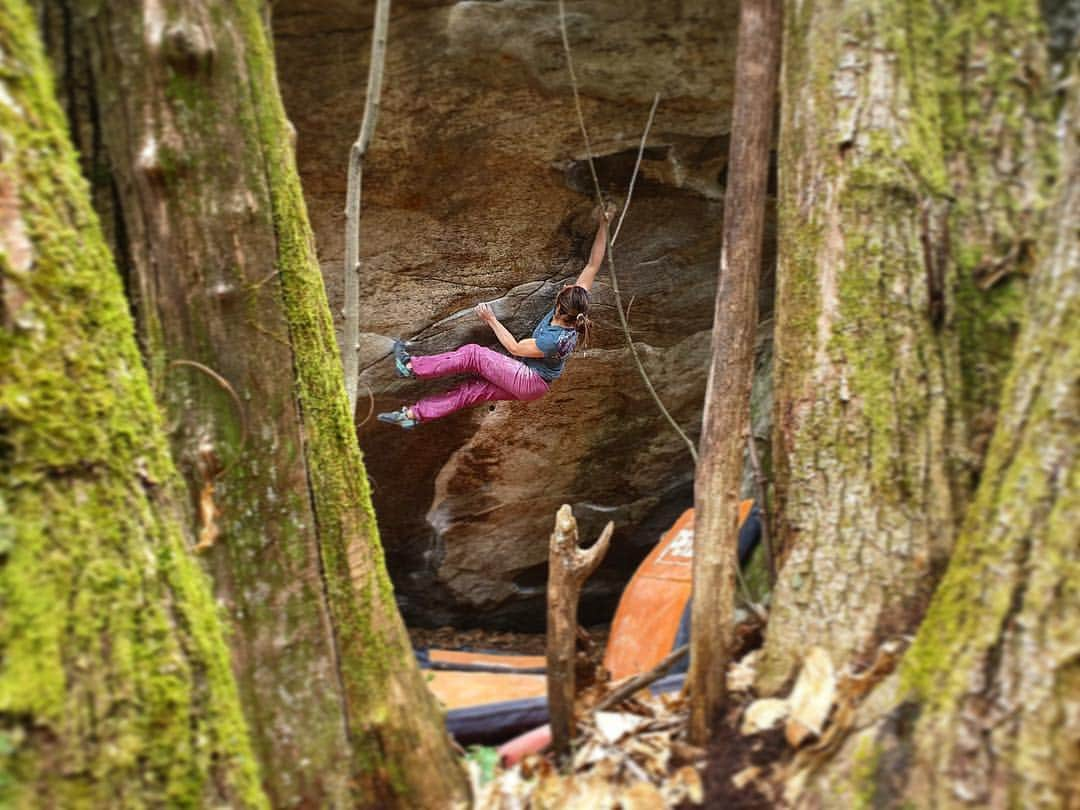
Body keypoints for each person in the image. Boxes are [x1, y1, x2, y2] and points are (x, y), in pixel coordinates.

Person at [377, 207, 613, 429]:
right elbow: (593, 265)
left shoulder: (554, 340)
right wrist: (605, 223)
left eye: (565, 289)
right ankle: (412, 416)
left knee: (473, 355)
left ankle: (410, 367)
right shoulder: (575, 311)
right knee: (470, 391)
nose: (566, 286)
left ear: (561, 309)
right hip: (533, 384)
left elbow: (515, 348)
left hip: (529, 379)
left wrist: (490, 318)